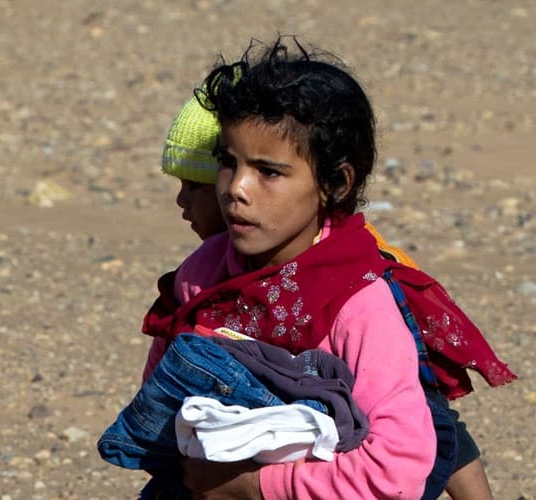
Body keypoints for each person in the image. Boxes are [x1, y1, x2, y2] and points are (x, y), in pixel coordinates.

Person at [143, 37, 516, 499]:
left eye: (269, 172)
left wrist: (256, 487)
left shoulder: (358, 304)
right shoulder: (201, 276)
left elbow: (395, 469)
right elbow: (161, 401)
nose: (236, 188)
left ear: (335, 184)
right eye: (227, 163)